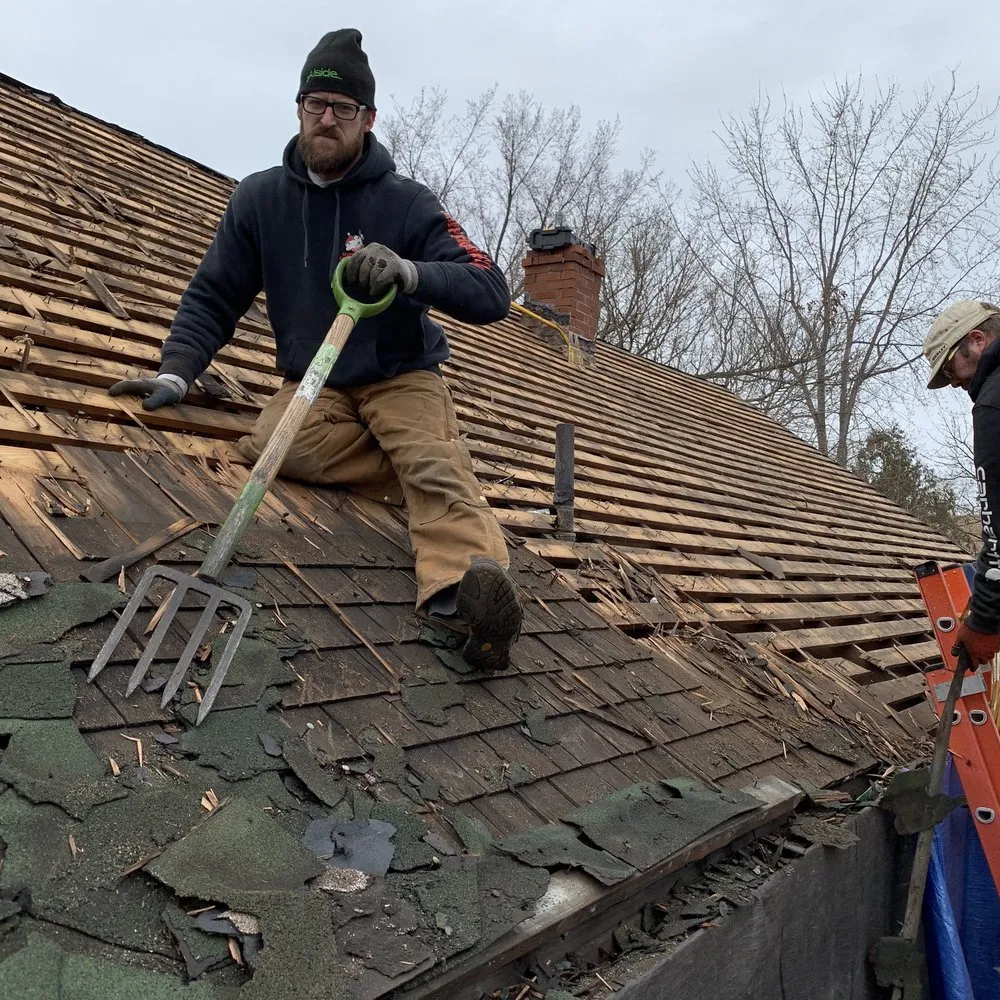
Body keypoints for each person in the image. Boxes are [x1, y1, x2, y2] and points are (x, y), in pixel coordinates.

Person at [108, 28, 522, 671]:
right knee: (272, 448)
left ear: (368, 119)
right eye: (314, 105)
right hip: (317, 382)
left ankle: (465, 597)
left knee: (434, 470)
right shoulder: (260, 198)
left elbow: (489, 288)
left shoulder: (406, 202)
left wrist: (411, 273)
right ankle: (408, 464)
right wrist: (177, 370)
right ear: (299, 108)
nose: (327, 119)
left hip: (398, 373)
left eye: (343, 109)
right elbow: (214, 293)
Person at [923, 299, 1000, 666]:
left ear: (977, 340)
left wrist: (984, 620)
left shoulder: (993, 402)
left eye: (950, 367)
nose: (954, 383)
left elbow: (998, 523)